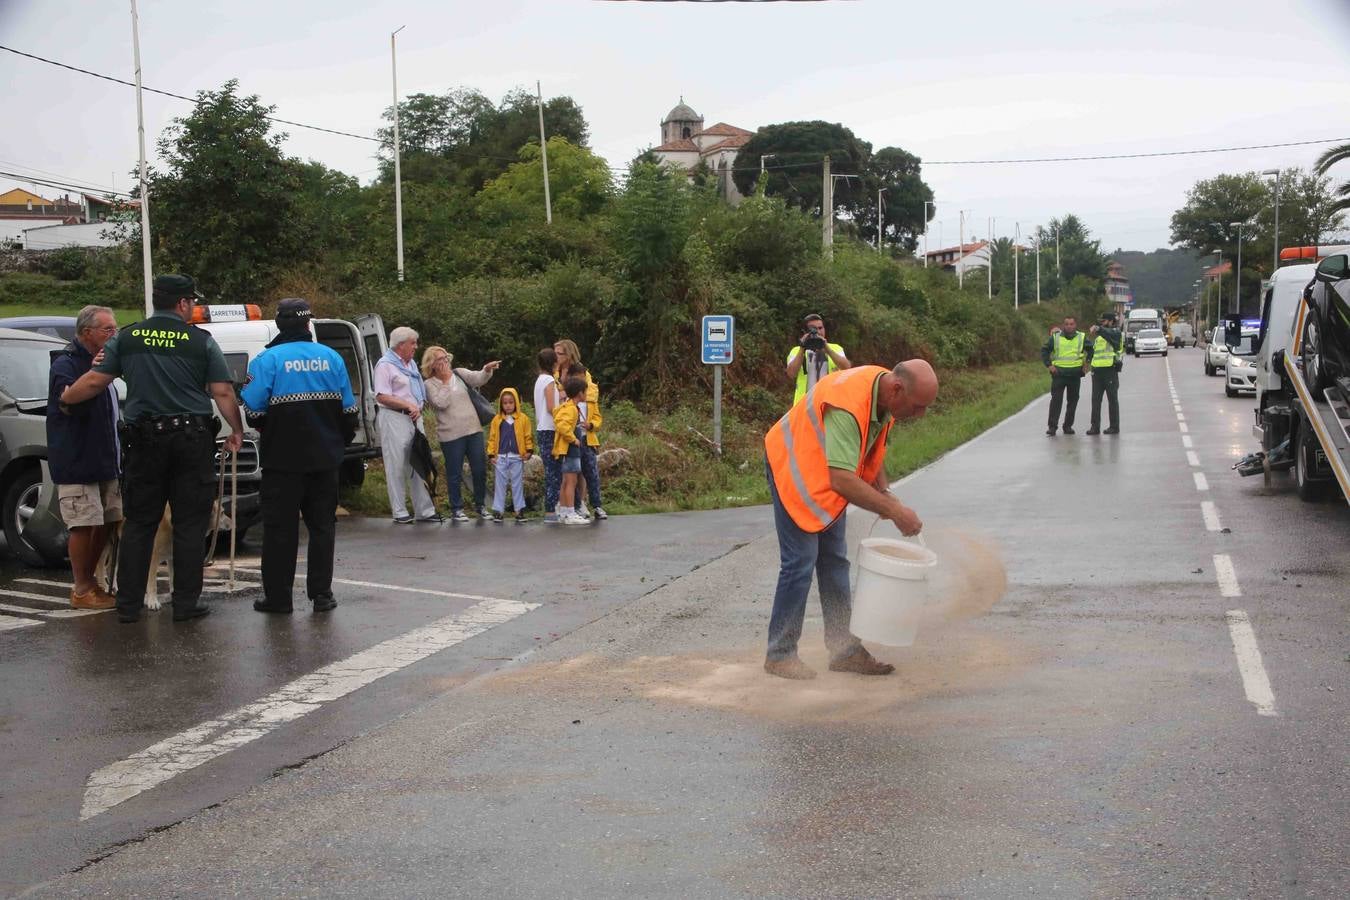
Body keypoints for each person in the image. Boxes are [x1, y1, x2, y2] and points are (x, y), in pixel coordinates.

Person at [60, 274, 244, 624]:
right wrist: (235, 429)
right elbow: (222, 391)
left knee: (141, 523)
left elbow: (97, 380)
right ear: (182, 303)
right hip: (191, 441)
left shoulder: (128, 337)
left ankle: (129, 605)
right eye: (191, 301)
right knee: (190, 524)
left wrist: (67, 398)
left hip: (144, 442)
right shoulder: (200, 341)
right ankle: (186, 603)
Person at [762, 360, 938, 680]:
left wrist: (884, 491)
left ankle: (845, 650)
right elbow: (842, 479)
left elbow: (871, 448)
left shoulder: (883, 393)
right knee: (800, 561)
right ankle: (780, 654)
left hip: (823, 473)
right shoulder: (849, 404)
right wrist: (895, 512)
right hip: (794, 468)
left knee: (834, 561)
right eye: (918, 406)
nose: (921, 414)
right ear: (898, 389)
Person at [241, 299, 357, 614]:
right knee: (322, 527)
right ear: (308, 325)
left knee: (280, 529)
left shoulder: (267, 360)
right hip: (324, 459)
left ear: (279, 325)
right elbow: (349, 412)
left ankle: (278, 599)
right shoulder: (331, 358)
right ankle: (322, 594)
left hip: (282, 461)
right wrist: (336, 444)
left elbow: (252, 411)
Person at [46, 305, 122, 610]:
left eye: (115, 328)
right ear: (87, 332)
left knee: (107, 520)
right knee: (82, 524)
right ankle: (81, 587)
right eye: (107, 329)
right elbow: (68, 401)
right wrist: (95, 370)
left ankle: (92, 582)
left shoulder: (107, 363)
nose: (113, 334)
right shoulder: (65, 364)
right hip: (77, 459)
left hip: (106, 458)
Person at [423, 346, 500, 522]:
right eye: (440, 359)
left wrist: (486, 370)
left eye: (446, 358)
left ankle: (481, 506)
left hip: (473, 430)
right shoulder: (429, 384)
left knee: (479, 469)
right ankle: (456, 509)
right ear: (432, 364)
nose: (445, 362)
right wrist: (443, 382)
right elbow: (440, 403)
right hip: (450, 435)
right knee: (454, 472)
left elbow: (477, 378)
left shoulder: (458, 373)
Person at [374, 327, 439, 524]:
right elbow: (381, 395)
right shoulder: (385, 365)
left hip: (413, 417)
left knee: (419, 460)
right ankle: (400, 510)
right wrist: (407, 405)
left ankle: (424, 511)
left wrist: (417, 406)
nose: (416, 347)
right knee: (397, 464)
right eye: (413, 343)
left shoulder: (409, 364)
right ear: (401, 345)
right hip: (394, 417)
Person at [553, 339, 606, 520]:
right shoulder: (554, 372)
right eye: (555, 352)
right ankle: (568, 507)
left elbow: (591, 392)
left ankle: (585, 504)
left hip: (584, 434)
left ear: (569, 354)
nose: (556, 356)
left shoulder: (581, 373)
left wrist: (570, 391)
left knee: (586, 471)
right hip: (566, 433)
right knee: (569, 474)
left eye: (559, 353)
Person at [564, 361, 607, 521]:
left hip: (587, 439)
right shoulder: (565, 398)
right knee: (572, 475)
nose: (581, 382)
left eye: (583, 378)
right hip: (572, 440)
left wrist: (591, 425)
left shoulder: (590, 395)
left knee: (591, 473)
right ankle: (576, 506)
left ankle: (597, 505)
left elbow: (597, 418)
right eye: (578, 378)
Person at [486, 387, 534, 523]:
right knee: (500, 484)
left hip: (517, 457)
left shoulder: (523, 419)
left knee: (517, 484)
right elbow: (492, 437)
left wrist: (529, 451)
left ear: (516, 403)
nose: (508, 405)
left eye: (511, 402)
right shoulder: (497, 420)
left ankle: (519, 510)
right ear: (501, 404)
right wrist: (491, 454)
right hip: (500, 457)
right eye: (505, 403)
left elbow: (527, 436)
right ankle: (499, 511)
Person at [785, 313, 851, 405]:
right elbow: (791, 373)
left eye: (820, 328)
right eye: (814, 329)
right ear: (805, 332)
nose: (818, 332)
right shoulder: (796, 351)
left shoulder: (836, 348)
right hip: (804, 405)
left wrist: (827, 349)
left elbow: (847, 367)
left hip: (831, 403)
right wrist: (802, 348)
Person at [550, 376, 589, 526]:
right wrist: (574, 439)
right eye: (585, 391)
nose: (586, 394)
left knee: (565, 482)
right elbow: (562, 426)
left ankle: (565, 512)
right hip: (570, 449)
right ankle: (571, 512)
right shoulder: (572, 409)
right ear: (580, 393)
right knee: (571, 482)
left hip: (566, 450)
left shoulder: (566, 406)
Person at [1041, 315, 1086, 436]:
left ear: (1075, 325)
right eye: (1067, 324)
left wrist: (1087, 364)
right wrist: (1049, 365)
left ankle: (1068, 426)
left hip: (1075, 375)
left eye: (1072, 324)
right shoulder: (1055, 337)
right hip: (1059, 374)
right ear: (1063, 325)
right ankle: (1052, 427)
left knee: (1073, 402)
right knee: (1056, 401)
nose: (1069, 326)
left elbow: (1091, 349)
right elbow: (1044, 350)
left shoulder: (1081, 337)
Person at [533, 348, 563, 523]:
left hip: (541, 428)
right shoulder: (550, 380)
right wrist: (565, 413)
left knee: (551, 470)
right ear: (553, 364)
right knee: (554, 471)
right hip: (550, 429)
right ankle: (551, 510)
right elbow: (551, 407)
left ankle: (552, 508)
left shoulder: (539, 380)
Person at [1085, 311, 1123, 436]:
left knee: (1112, 400)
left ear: (1111, 321)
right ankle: (1094, 427)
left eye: (1105, 321)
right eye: (1101, 321)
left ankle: (1114, 426)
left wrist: (1098, 328)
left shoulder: (1116, 333)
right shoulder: (1099, 337)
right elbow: (1095, 351)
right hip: (1097, 372)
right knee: (1095, 400)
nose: (1102, 323)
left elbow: (1108, 333)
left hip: (1110, 370)